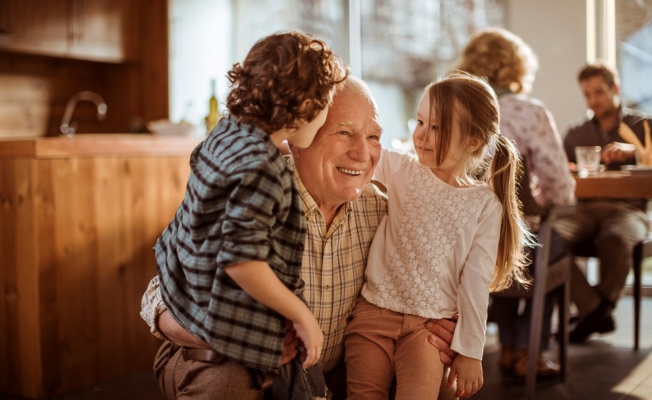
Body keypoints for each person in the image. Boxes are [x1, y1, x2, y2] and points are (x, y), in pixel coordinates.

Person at [141, 76, 459, 400]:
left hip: (325, 368)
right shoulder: (251, 193)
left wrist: (448, 323)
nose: (363, 153)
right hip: (221, 360)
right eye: (344, 133)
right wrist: (235, 337)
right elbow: (156, 299)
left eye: (374, 136)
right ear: (298, 138)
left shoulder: (383, 211)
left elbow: (439, 268)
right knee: (228, 379)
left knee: (440, 377)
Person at [153, 30, 348, 399]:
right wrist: (302, 315)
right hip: (224, 320)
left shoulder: (225, 134)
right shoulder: (262, 167)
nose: (324, 119)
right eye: (326, 106)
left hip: (188, 291)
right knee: (305, 380)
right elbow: (242, 260)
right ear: (306, 103)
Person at [343, 73, 534, 399]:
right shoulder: (403, 170)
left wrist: (471, 352)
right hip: (372, 316)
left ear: (473, 141)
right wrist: (291, 144)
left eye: (437, 128)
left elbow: (475, 284)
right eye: (420, 122)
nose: (422, 136)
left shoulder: (484, 205)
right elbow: (360, 156)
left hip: (427, 332)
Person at [456, 27, 575, 380]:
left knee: (501, 248)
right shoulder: (529, 112)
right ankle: (529, 351)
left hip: (463, 238)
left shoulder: (456, 108)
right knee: (552, 247)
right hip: (516, 238)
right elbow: (559, 185)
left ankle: (508, 348)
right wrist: (547, 204)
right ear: (516, 67)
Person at [557, 61, 650, 343]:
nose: (593, 100)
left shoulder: (644, 126)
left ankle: (593, 312)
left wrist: (633, 151)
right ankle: (596, 309)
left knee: (616, 238)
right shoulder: (576, 133)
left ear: (616, 89)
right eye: (587, 95)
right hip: (583, 209)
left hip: (629, 211)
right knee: (546, 239)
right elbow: (559, 173)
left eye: (599, 92)